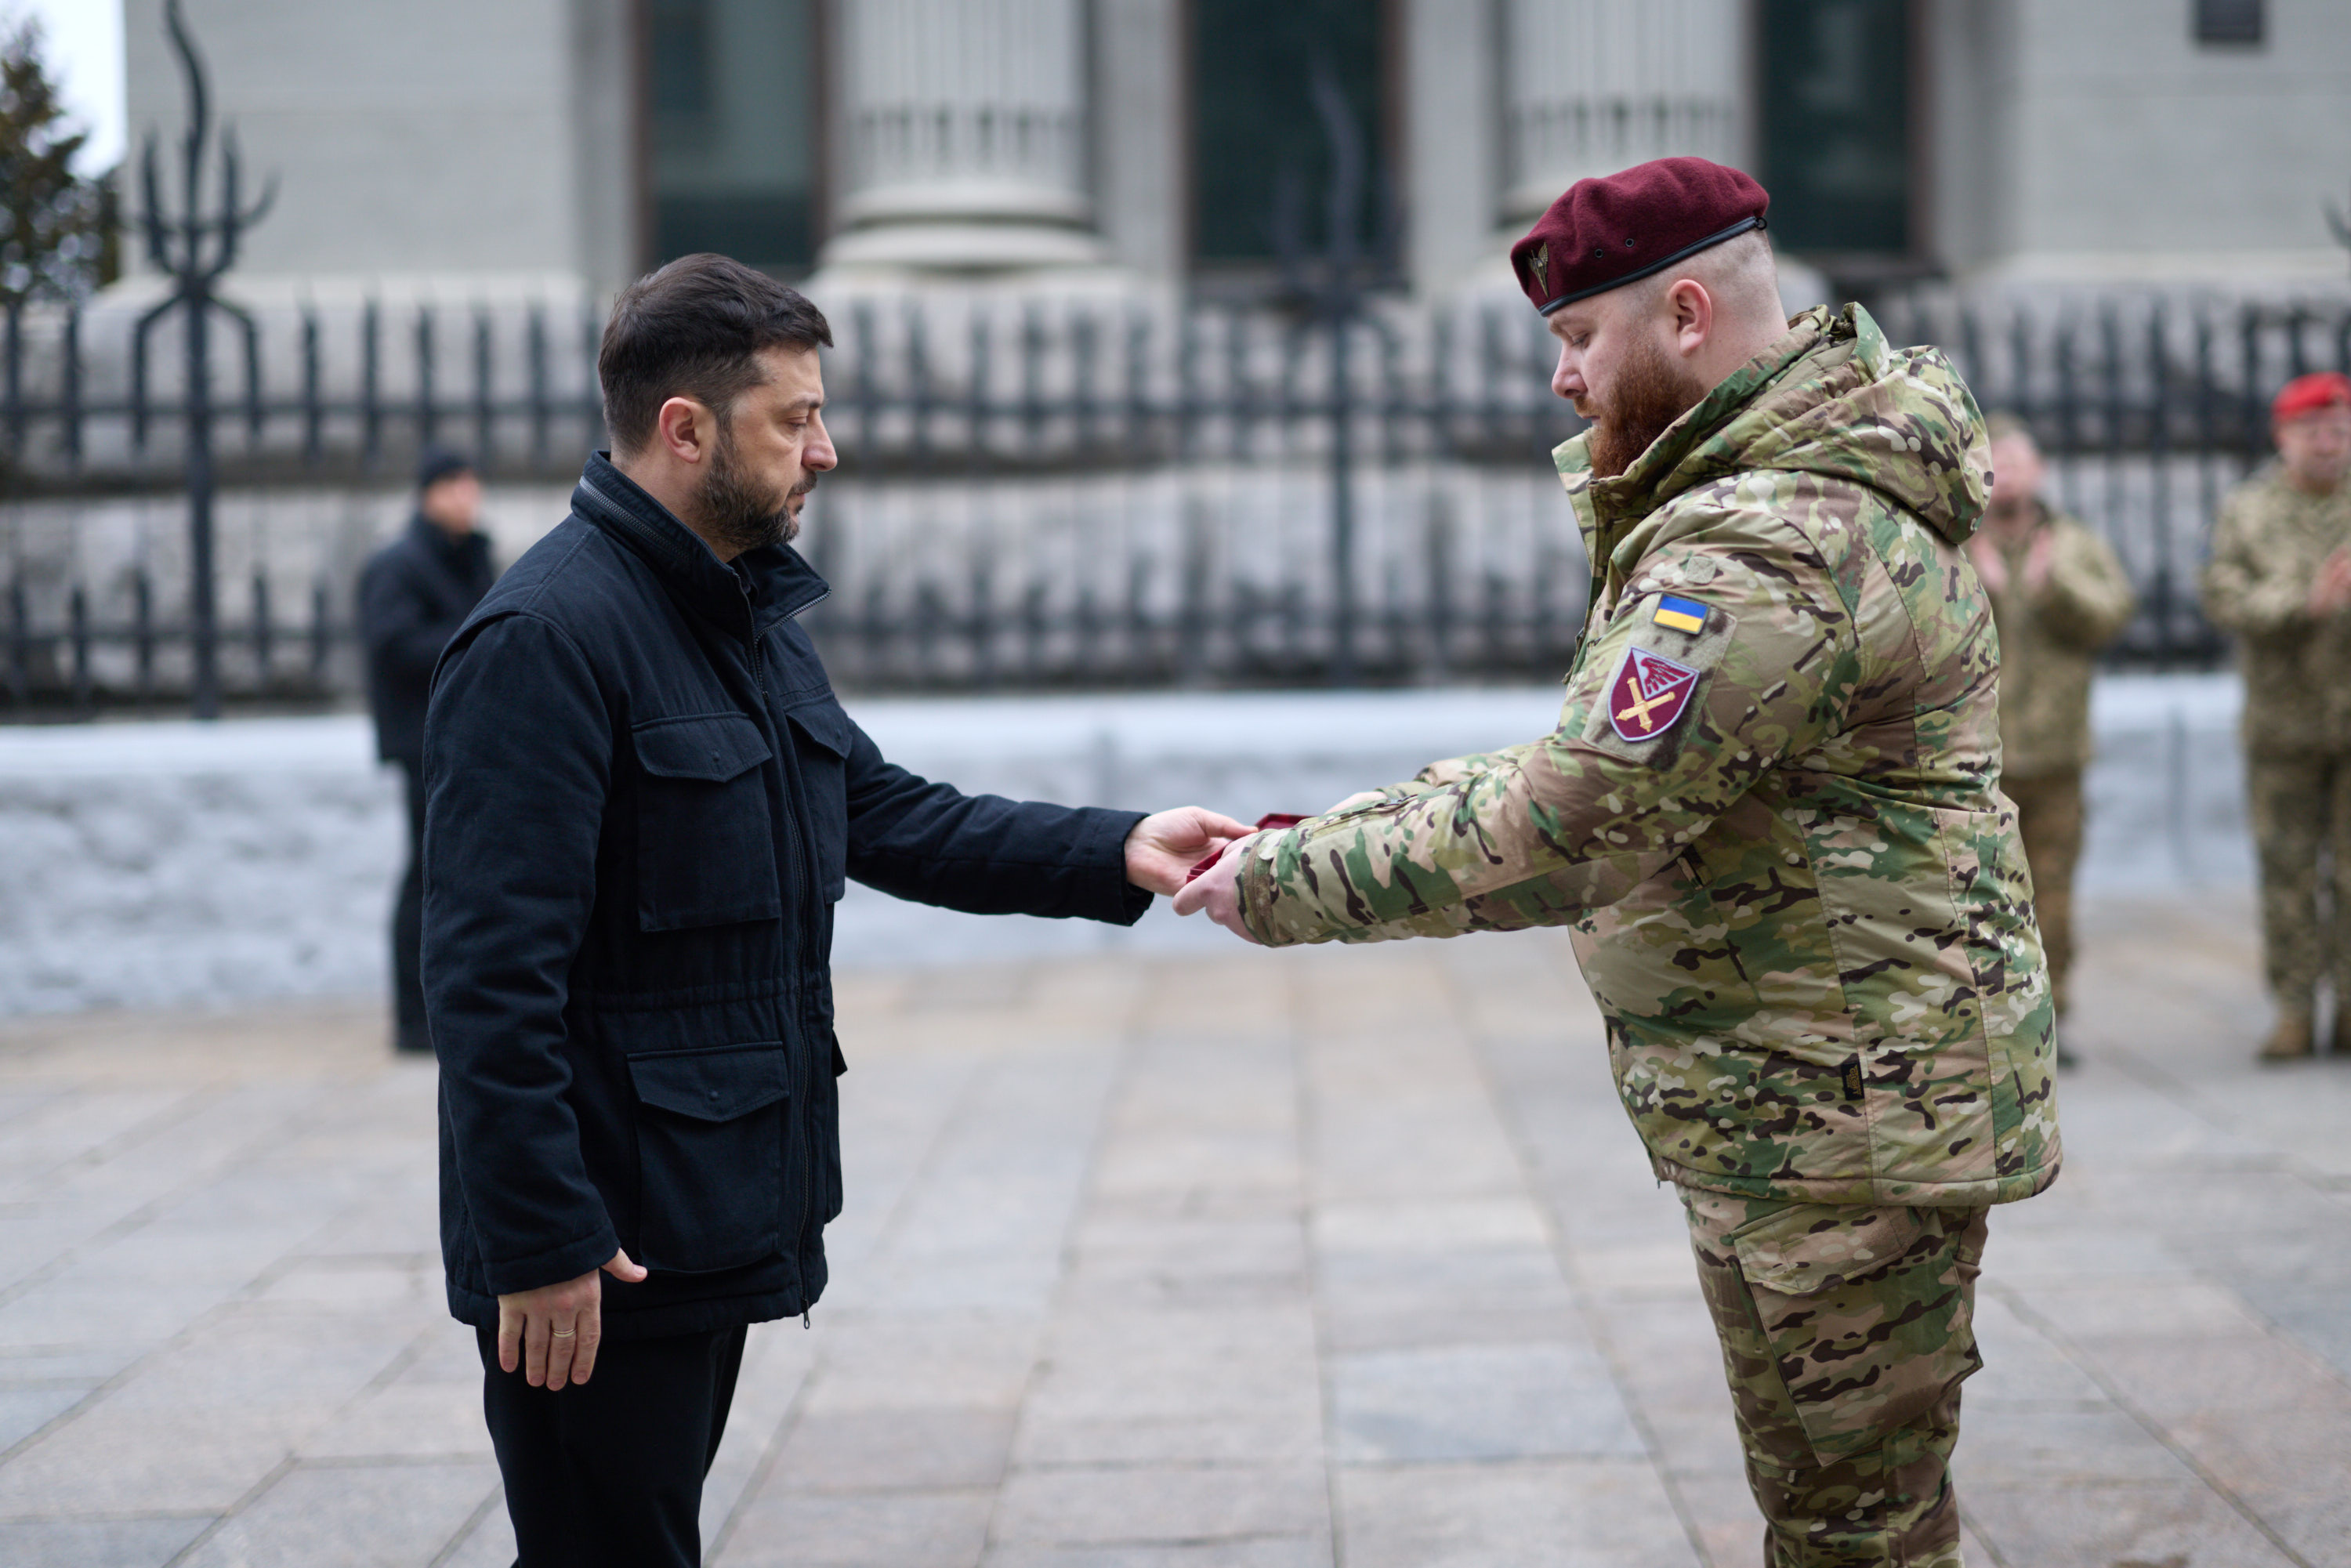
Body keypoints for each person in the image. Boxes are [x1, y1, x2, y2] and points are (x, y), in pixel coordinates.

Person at [1178, 158, 2057, 1566]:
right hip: (1823, 1097)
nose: (1564, 378)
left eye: (1582, 337)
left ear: (1688, 315)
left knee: (1856, 1535)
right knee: (1855, 1519)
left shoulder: (1765, 547)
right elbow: (1590, 763)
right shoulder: (1779, 497)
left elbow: (1573, 822)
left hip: (1838, 1121)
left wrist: (1282, 883)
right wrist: (1311, 832)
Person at [422, 254, 1248, 1568]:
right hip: (603, 1244)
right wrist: (541, 1240)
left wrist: (1113, 847)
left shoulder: (740, 609)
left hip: (697, 1210)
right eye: (793, 419)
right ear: (686, 430)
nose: (826, 449)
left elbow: (880, 810)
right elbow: (487, 980)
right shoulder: (547, 637)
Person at [1965, 415, 2135, 1063]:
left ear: (2038, 471)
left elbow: (2112, 615)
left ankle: (2051, 1018)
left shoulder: (2072, 543)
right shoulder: (1957, 545)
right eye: (1995, 461)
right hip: (1978, 758)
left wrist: (2053, 588)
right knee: (1979, 899)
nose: (2007, 473)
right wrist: (1982, 585)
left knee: (2053, 896)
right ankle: (1988, 1024)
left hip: (2057, 754)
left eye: (2017, 460)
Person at [2201, 371, 2351, 1062]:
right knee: (2286, 871)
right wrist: (2303, 603)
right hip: (2284, 725)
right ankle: (2293, 1008)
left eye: (2339, 430)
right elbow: (2222, 594)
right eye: (2313, 431)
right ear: (2283, 436)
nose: (2328, 442)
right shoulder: (2249, 509)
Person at [357, 447, 496, 1055]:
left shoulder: (472, 555)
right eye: (455, 486)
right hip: (421, 742)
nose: (468, 497)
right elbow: (394, 646)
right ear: (429, 494)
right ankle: (414, 1019)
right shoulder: (400, 564)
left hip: (469, 738)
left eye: (472, 485)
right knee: (426, 875)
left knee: (464, 873)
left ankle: (455, 1006)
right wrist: (473, 636)